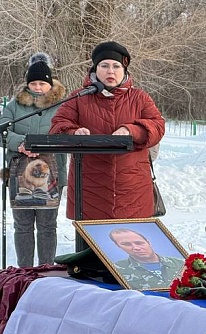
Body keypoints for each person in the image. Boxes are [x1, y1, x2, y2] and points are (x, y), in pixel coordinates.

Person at [50, 41, 165, 220]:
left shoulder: (140, 98)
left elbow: (157, 126)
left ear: (124, 69)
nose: (110, 71)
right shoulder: (79, 97)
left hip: (132, 188)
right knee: (91, 245)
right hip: (89, 188)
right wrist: (73, 132)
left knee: (128, 244)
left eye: (116, 66)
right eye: (104, 65)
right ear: (95, 69)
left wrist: (131, 130)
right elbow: (57, 125)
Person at [0, 53, 67, 266]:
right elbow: (2, 130)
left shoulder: (62, 106)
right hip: (20, 172)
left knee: (48, 225)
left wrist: (44, 144)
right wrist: (19, 143)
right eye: (33, 83)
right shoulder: (14, 105)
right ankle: (25, 270)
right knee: (23, 225)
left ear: (50, 83)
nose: (38, 87)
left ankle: (46, 270)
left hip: (52, 173)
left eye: (42, 83)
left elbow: (67, 131)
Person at [109, 228, 184, 289]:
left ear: (148, 242)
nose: (136, 248)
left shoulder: (182, 263)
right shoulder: (116, 270)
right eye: (126, 244)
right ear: (119, 246)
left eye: (139, 243)